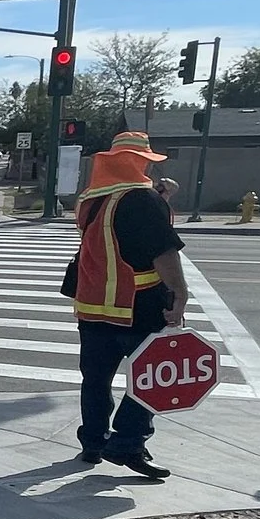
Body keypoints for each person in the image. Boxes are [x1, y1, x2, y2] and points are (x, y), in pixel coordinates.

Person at [70, 131, 189, 480]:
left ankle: (93, 441)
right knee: (152, 377)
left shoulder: (89, 199)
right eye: (146, 163)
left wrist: (159, 199)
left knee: (95, 380)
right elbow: (162, 250)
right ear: (138, 163)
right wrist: (179, 294)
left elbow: (121, 233)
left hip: (93, 307)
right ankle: (128, 442)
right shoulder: (142, 200)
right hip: (138, 305)